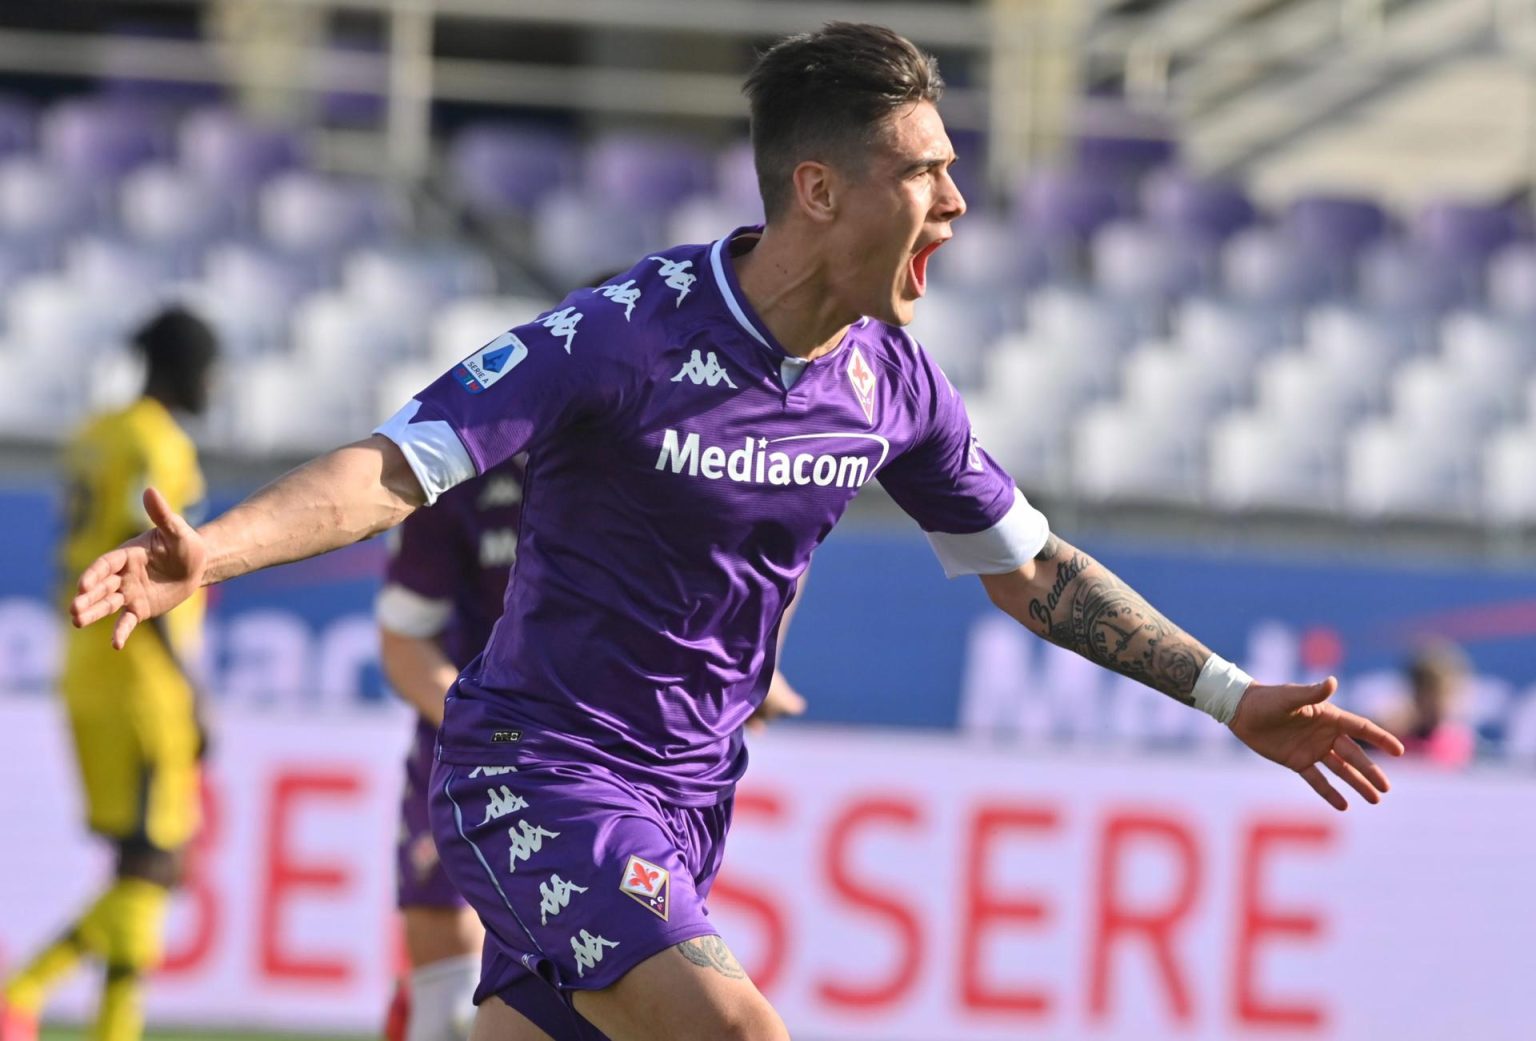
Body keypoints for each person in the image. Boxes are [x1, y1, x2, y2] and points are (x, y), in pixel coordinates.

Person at [67, 24, 1404, 1041]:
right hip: (535, 773)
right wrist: (218, 550)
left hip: (687, 800)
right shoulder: (625, 334)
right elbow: (402, 463)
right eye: (925, 173)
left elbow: (1036, 572)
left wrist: (1231, 697)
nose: (955, 203)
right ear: (818, 190)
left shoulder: (889, 382)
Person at [377, 457, 805, 1041]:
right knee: (448, 1005)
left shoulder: (666, 447)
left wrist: (754, 664)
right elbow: (404, 642)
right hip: (490, 751)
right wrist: (487, 729)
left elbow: (783, 541)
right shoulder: (464, 467)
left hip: (617, 771)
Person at [3, 307, 219, 1041]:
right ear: (181, 368)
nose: (217, 382)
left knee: (140, 863)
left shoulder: (93, 435)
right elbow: (150, 563)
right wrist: (193, 693)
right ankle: (22, 991)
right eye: (210, 366)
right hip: (141, 682)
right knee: (152, 865)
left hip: (86, 668)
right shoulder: (155, 443)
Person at [1388, 640, 1477, 768]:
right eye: (1429, 694)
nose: (1438, 703)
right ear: (1416, 694)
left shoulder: (1465, 743)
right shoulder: (1392, 738)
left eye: (1446, 693)